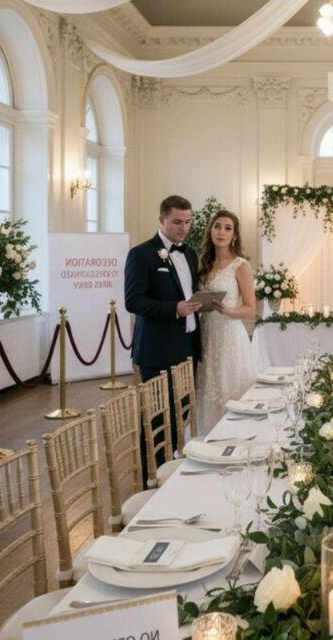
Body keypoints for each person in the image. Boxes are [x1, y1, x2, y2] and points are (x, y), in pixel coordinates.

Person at [124, 195, 203, 486]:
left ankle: (173, 471)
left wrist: (196, 305)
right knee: (156, 418)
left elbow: (187, 292)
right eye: (177, 222)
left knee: (179, 414)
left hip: (186, 344)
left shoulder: (190, 254)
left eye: (188, 222)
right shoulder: (141, 254)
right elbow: (133, 301)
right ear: (162, 220)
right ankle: (152, 478)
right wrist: (174, 309)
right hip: (156, 350)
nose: (184, 228)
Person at [197, 210, 258, 433]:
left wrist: (229, 310)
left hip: (230, 336)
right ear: (211, 230)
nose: (221, 232)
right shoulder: (204, 263)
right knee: (209, 388)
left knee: (228, 387)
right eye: (217, 226)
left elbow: (251, 309)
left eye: (227, 228)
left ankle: (235, 436)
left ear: (234, 235)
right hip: (206, 334)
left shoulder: (240, 265)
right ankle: (209, 435)